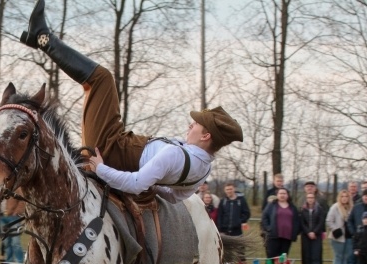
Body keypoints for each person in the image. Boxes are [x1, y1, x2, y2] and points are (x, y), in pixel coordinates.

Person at [21, 0, 243, 203]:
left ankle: (43, 37)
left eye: (196, 125)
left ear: (206, 136)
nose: (190, 125)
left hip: (108, 147)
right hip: (117, 144)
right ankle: (39, 37)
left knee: (102, 79)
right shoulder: (202, 171)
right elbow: (175, 197)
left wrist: (102, 169)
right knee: (98, 84)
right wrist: (152, 184)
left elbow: (136, 184)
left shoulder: (175, 155)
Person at [261, 187, 300, 264]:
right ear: (277, 195)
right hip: (273, 236)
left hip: (287, 237)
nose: (282, 195)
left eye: (284, 193)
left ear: (287, 195)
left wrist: (295, 232)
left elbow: (297, 221)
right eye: (280, 193)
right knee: (271, 256)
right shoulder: (271, 205)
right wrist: (268, 228)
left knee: (283, 258)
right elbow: (264, 217)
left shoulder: (293, 207)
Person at [326, 189, 353, 264]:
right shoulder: (335, 207)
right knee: (338, 256)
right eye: (342, 196)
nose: (344, 198)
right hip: (338, 236)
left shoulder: (351, 208)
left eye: (346, 196)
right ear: (339, 197)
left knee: (346, 256)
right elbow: (329, 221)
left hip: (349, 236)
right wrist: (335, 229)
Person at [300, 190, 325, 264]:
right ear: (306, 198)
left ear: (314, 199)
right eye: (309, 198)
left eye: (312, 198)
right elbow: (302, 223)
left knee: (316, 255)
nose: (310, 199)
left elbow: (321, 222)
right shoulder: (303, 209)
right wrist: (308, 232)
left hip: (317, 236)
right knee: (307, 256)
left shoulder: (319, 209)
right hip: (306, 236)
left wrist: (314, 232)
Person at [1, 196, 26, 264]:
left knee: (15, 242)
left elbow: (22, 201)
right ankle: (9, 263)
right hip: (2, 218)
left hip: (14, 218)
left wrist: (16, 212)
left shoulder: (15, 188)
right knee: (6, 243)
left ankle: (20, 263)